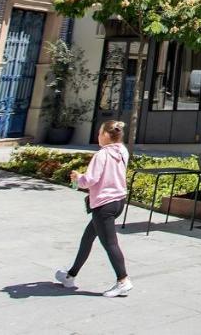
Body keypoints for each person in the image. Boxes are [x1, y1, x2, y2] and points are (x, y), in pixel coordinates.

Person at [56, 120, 132, 297]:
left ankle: (123, 280)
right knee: (88, 237)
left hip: (104, 204)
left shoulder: (102, 155)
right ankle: (70, 275)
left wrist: (78, 177)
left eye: (99, 133)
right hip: (118, 201)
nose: (97, 136)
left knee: (110, 244)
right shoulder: (122, 151)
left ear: (106, 135)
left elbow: (90, 180)